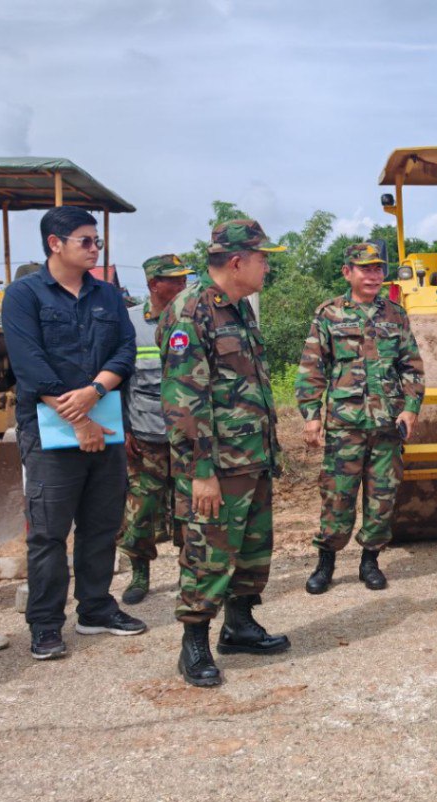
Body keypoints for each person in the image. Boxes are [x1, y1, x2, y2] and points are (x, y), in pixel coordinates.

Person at [3, 206, 147, 660]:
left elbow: (126, 349)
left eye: (96, 240)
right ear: (55, 243)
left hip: (105, 422)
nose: (94, 248)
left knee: (101, 524)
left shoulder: (107, 294)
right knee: (49, 533)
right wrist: (80, 419)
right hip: (49, 432)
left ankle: (96, 609)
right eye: (86, 240)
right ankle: (46, 623)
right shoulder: (23, 295)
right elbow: (28, 364)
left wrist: (95, 390)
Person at [158, 219, 290, 687]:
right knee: (207, 554)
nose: (267, 266)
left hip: (251, 457)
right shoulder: (189, 311)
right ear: (237, 262)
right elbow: (184, 401)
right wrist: (201, 472)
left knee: (252, 550)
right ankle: (193, 644)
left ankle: (239, 626)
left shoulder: (239, 309)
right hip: (216, 465)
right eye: (262, 258)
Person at [296, 242, 425, 594]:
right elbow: (312, 367)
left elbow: (411, 367)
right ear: (347, 272)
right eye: (365, 269)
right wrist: (311, 415)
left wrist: (411, 408)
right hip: (345, 425)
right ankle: (326, 562)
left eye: (378, 269)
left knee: (382, 498)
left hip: (387, 425)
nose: (373, 275)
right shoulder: (329, 314)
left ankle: (370, 561)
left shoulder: (395, 314)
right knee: (337, 496)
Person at [118, 254, 193, 604]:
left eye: (184, 279)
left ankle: (188, 573)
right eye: (174, 280)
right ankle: (139, 573)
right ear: (153, 285)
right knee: (141, 510)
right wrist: (123, 428)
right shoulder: (129, 323)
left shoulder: (193, 318)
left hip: (188, 436)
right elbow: (118, 379)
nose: (182, 285)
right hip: (145, 436)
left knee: (189, 508)